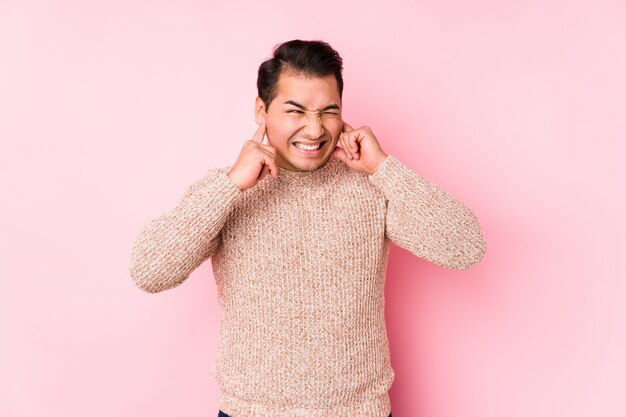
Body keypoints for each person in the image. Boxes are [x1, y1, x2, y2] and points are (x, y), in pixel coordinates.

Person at [129, 39, 486, 417]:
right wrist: (231, 185)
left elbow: (465, 247)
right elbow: (150, 271)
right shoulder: (227, 190)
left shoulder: (370, 187)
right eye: (295, 110)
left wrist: (384, 168)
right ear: (261, 110)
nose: (314, 130)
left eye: (328, 112)